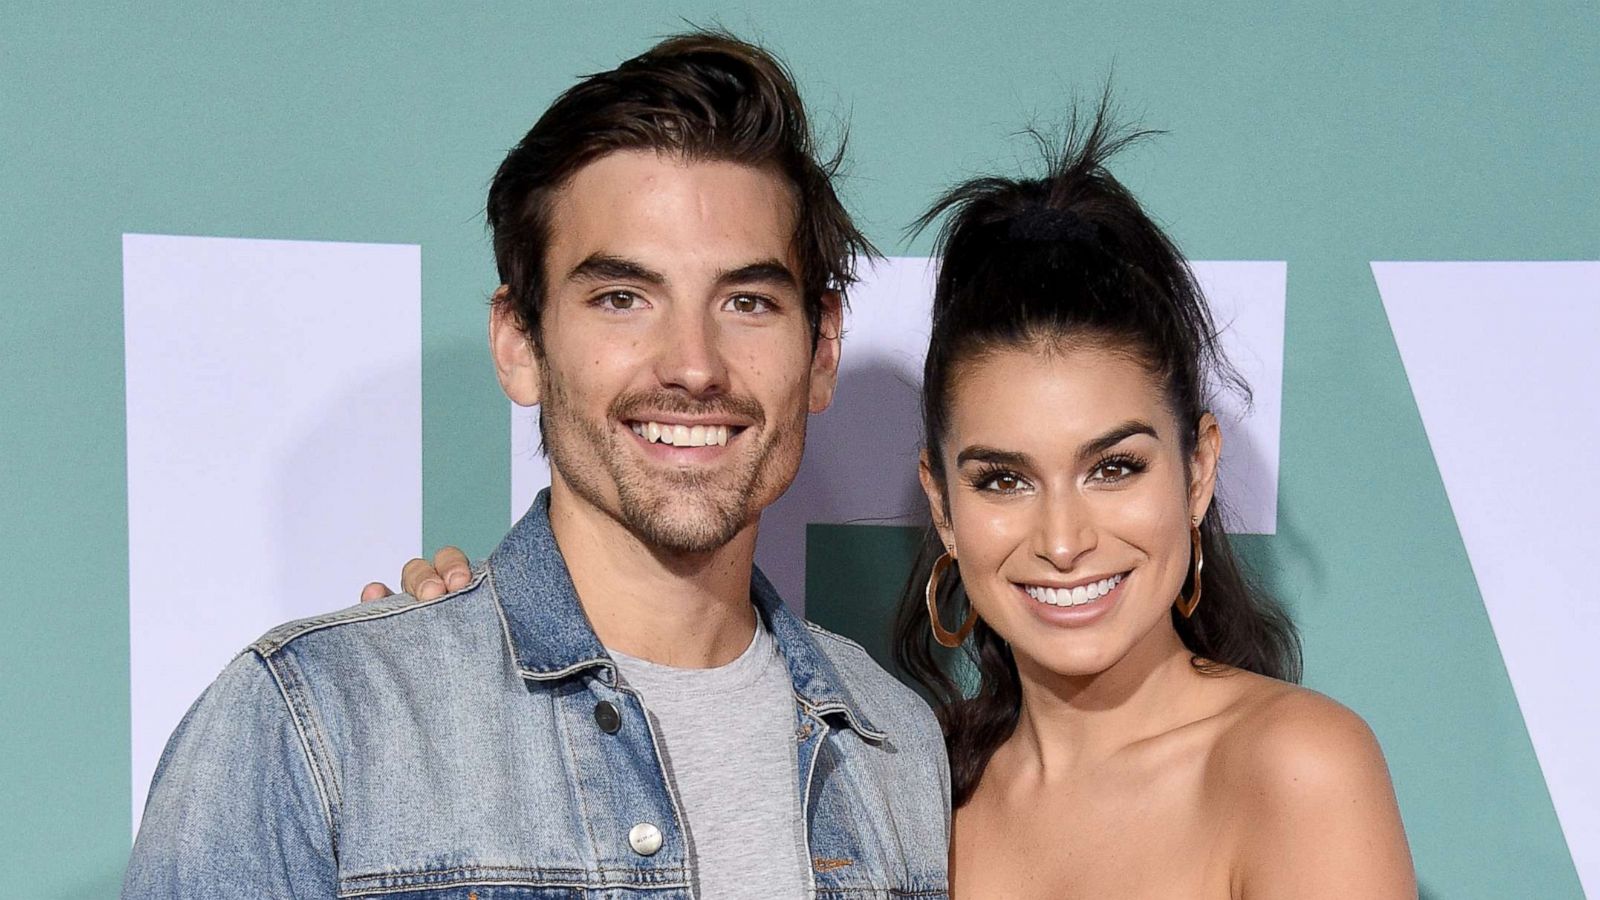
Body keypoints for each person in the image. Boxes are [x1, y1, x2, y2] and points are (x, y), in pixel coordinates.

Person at [393, 103, 1417, 897]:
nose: (1063, 539)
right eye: (1002, 478)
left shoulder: (1294, 769)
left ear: (1197, 471)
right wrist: (461, 648)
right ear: (941, 501)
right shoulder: (910, 782)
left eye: (1115, 466)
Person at [124, 32, 949, 899]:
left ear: (820, 351)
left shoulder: (895, 747)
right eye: (622, 298)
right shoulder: (316, 726)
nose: (694, 365)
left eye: (747, 301)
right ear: (519, 343)